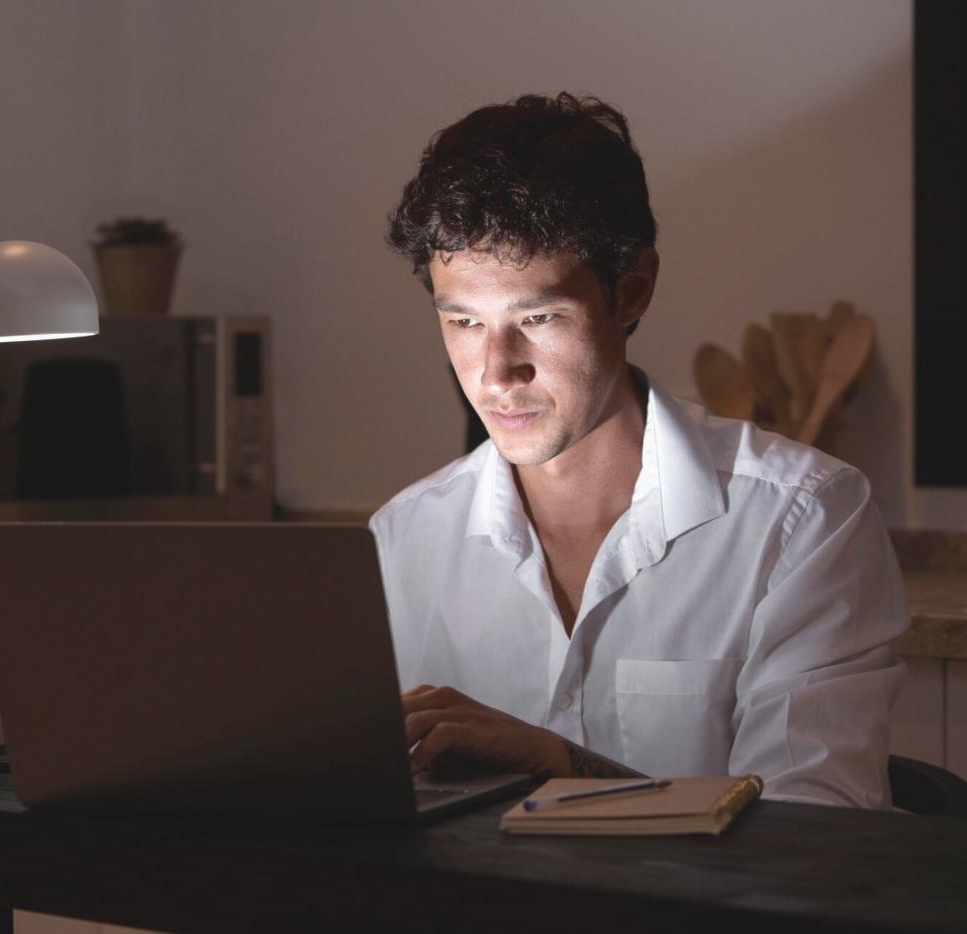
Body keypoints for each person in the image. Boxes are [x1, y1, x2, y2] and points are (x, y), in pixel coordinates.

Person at [371, 92, 906, 807]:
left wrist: (562, 766)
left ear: (632, 291)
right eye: (464, 321)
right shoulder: (402, 539)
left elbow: (812, 850)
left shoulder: (802, 521)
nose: (496, 371)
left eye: (537, 316)